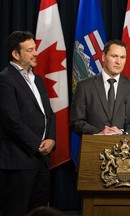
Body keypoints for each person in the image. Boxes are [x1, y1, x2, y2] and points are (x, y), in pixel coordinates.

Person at [0, 31, 56, 216]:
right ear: (16, 54)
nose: (36, 53)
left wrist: (51, 140)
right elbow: (11, 121)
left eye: (35, 48)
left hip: (42, 161)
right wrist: (36, 145)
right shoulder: (5, 79)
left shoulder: (37, 79)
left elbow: (49, 114)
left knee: (38, 211)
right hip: (20, 161)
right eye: (30, 50)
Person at [70, 39, 130, 136]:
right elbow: (76, 121)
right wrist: (99, 133)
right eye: (114, 56)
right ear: (103, 57)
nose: (118, 62)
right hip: (94, 147)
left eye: (122, 57)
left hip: (124, 148)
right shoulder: (84, 87)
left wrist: (121, 132)